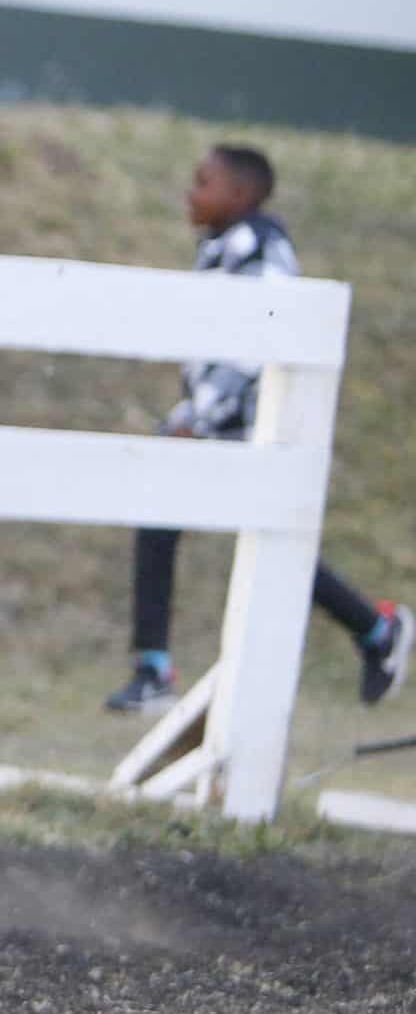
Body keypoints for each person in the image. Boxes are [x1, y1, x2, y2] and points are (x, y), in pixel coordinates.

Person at [105, 144, 412, 712]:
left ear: (242, 195)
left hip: (256, 432)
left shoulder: (260, 247)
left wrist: (195, 419)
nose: (190, 193)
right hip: (222, 427)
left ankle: (375, 628)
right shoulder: (224, 245)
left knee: (265, 541)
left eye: (203, 182)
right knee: (183, 522)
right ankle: (373, 630)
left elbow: (259, 345)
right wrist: (183, 416)